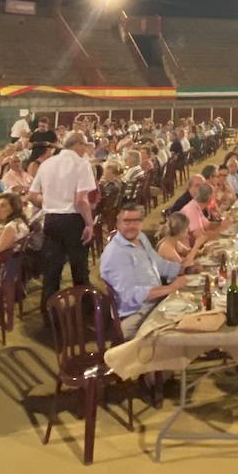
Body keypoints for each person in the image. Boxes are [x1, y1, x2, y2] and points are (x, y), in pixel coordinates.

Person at [28, 133, 98, 311]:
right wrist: (89, 224)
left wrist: (50, 203)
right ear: (77, 145)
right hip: (73, 220)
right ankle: (85, 311)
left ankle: (48, 313)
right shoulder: (81, 164)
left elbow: (32, 195)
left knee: (52, 271)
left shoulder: (47, 164)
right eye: (85, 145)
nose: (85, 150)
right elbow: (81, 201)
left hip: (51, 220)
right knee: (79, 268)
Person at [98, 202, 189, 336]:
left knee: (192, 310)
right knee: (182, 331)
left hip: (155, 303)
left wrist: (184, 269)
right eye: (127, 221)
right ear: (118, 224)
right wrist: (170, 288)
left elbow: (159, 264)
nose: (131, 226)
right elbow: (129, 295)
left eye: (136, 221)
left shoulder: (140, 237)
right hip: (136, 316)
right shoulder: (115, 253)